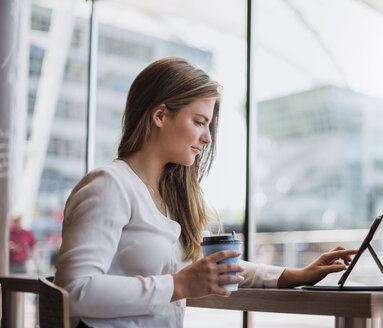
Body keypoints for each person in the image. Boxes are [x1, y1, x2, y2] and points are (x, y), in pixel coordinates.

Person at [54, 57, 357, 328]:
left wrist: (294, 275)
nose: (208, 138)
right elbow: (75, 292)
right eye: (199, 122)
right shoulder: (108, 185)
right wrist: (180, 285)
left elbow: (204, 267)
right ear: (160, 116)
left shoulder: (167, 199)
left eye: (209, 125)